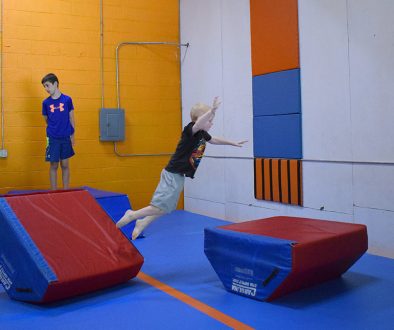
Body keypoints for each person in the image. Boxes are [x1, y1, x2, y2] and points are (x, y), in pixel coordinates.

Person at [116, 97, 247, 239]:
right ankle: (132, 215)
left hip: (179, 175)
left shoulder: (202, 134)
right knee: (159, 207)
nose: (211, 123)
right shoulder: (190, 129)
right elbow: (198, 123)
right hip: (172, 173)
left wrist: (232, 143)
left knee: (166, 208)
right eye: (209, 120)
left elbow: (214, 139)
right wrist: (212, 110)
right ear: (200, 119)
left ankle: (142, 223)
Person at [41, 73, 75, 190]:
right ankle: (54, 191)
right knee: (54, 164)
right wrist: (54, 128)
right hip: (52, 137)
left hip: (65, 136)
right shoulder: (45, 103)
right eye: (44, 86)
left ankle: (66, 190)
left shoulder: (67, 100)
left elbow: (71, 118)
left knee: (65, 164)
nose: (46, 89)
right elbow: (46, 119)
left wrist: (72, 135)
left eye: (47, 85)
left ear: (55, 84)